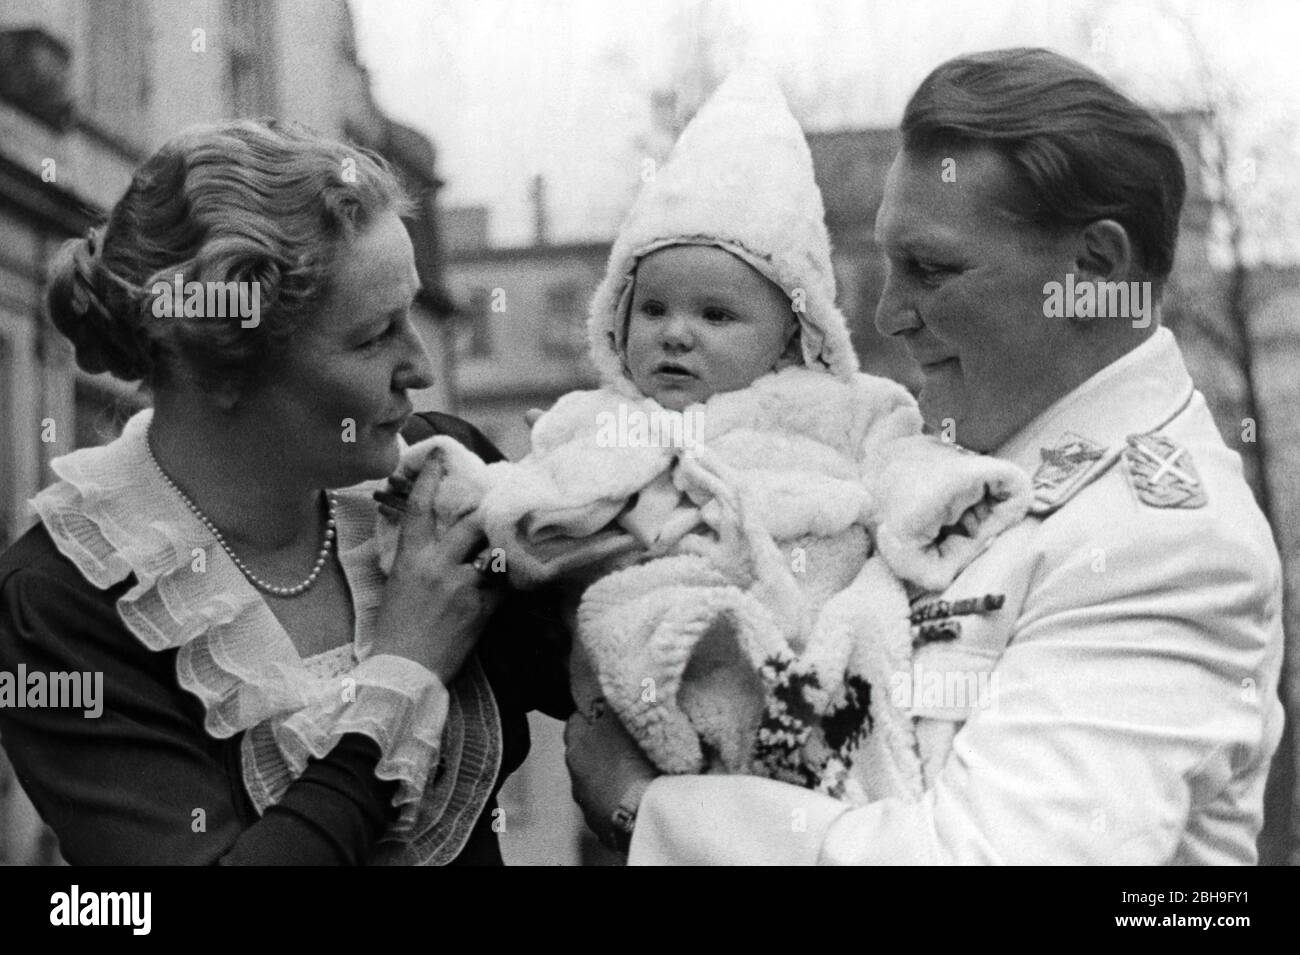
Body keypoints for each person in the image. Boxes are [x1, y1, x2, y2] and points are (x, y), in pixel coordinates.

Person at [564, 48, 1286, 864]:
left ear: (1095, 269)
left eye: (932, 269)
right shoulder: (932, 459)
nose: (890, 312)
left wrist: (650, 811)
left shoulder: (1162, 541)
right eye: (888, 264)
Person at [379, 71, 1030, 810]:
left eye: (717, 315)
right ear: (616, 316)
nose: (676, 332)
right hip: (671, 644)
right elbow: (526, 500)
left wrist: (953, 496)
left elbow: (907, 464)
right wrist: (452, 476)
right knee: (633, 629)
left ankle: (796, 780)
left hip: (809, 624)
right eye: (652, 307)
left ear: (794, 327)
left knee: (861, 647)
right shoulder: (595, 422)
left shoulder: (843, 405)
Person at [0, 119, 570, 865]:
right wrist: (403, 669)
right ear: (227, 366)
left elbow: (634, 677)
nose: (421, 365)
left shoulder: (428, 479)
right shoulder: (66, 602)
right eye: (374, 337)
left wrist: (608, 506)